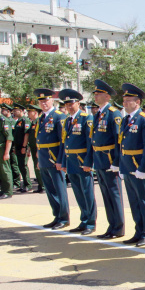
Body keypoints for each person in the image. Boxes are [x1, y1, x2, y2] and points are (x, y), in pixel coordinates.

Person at [119, 83, 145, 248]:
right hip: (127, 166)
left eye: (128, 101)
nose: (125, 103)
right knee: (133, 201)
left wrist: (143, 168)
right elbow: (122, 144)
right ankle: (138, 230)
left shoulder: (144, 119)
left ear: (137, 102)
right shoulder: (126, 119)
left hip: (138, 166)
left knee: (143, 200)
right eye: (124, 101)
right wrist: (121, 166)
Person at [56, 89, 96, 236]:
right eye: (66, 103)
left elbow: (90, 142)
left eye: (71, 103)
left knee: (87, 193)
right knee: (78, 193)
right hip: (71, 161)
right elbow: (64, 143)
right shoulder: (67, 120)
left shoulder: (86, 118)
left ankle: (91, 223)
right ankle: (84, 220)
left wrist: (88, 162)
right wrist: (63, 162)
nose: (69, 106)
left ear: (78, 103)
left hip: (82, 161)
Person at [91, 80, 125, 240]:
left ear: (106, 96)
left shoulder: (114, 113)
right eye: (95, 94)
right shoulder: (98, 113)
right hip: (100, 159)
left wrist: (116, 162)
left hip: (110, 159)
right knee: (106, 194)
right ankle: (112, 225)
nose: (95, 96)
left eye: (98, 94)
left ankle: (118, 227)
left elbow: (119, 140)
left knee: (114, 193)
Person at [35, 88, 70, 229]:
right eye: (41, 101)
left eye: (46, 101)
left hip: (54, 158)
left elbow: (62, 140)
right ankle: (57, 216)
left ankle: (64, 217)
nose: (43, 103)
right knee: (50, 189)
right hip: (44, 158)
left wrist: (60, 160)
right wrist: (39, 159)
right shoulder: (40, 118)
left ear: (52, 101)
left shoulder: (58, 116)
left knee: (59, 188)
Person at [10, 103, 32, 193]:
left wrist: (24, 147)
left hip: (23, 147)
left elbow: (27, 134)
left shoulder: (25, 120)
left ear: (22, 111)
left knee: (23, 166)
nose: (14, 112)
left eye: (16, 110)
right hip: (18, 147)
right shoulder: (18, 121)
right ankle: (23, 184)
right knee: (20, 166)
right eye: (14, 111)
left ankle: (28, 184)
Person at [26, 104, 43, 193]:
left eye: (29, 111)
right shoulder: (33, 122)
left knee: (39, 167)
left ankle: (43, 186)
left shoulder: (39, 121)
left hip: (38, 148)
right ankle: (40, 185)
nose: (28, 113)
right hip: (33, 148)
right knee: (36, 167)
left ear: (35, 112)